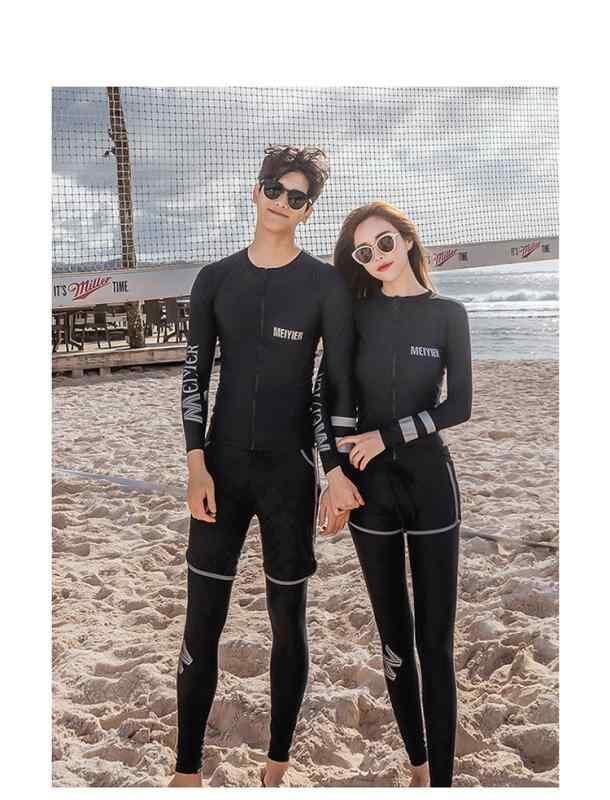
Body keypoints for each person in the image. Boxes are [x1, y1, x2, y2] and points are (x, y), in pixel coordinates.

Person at [169, 146, 362, 788]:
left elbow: (330, 390)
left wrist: (334, 470)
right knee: (202, 620)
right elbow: (194, 378)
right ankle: (186, 771)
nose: (282, 202)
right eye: (274, 189)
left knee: (288, 621)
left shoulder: (324, 286)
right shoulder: (215, 279)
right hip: (220, 471)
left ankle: (275, 766)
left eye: (297, 197)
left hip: (288, 475)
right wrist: (196, 464)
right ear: (256, 192)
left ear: (308, 211)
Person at [317, 201, 472, 788]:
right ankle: (418, 766)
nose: (377, 256)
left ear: (406, 239)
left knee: (436, 645)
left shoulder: (448, 315)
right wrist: (334, 474)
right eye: (364, 251)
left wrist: (387, 436)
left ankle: (443, 785)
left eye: (385, 242)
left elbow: (458, 406)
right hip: (370, 491)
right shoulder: (355, 315)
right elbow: (326, 398)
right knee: (395, 640)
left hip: (431, 487)